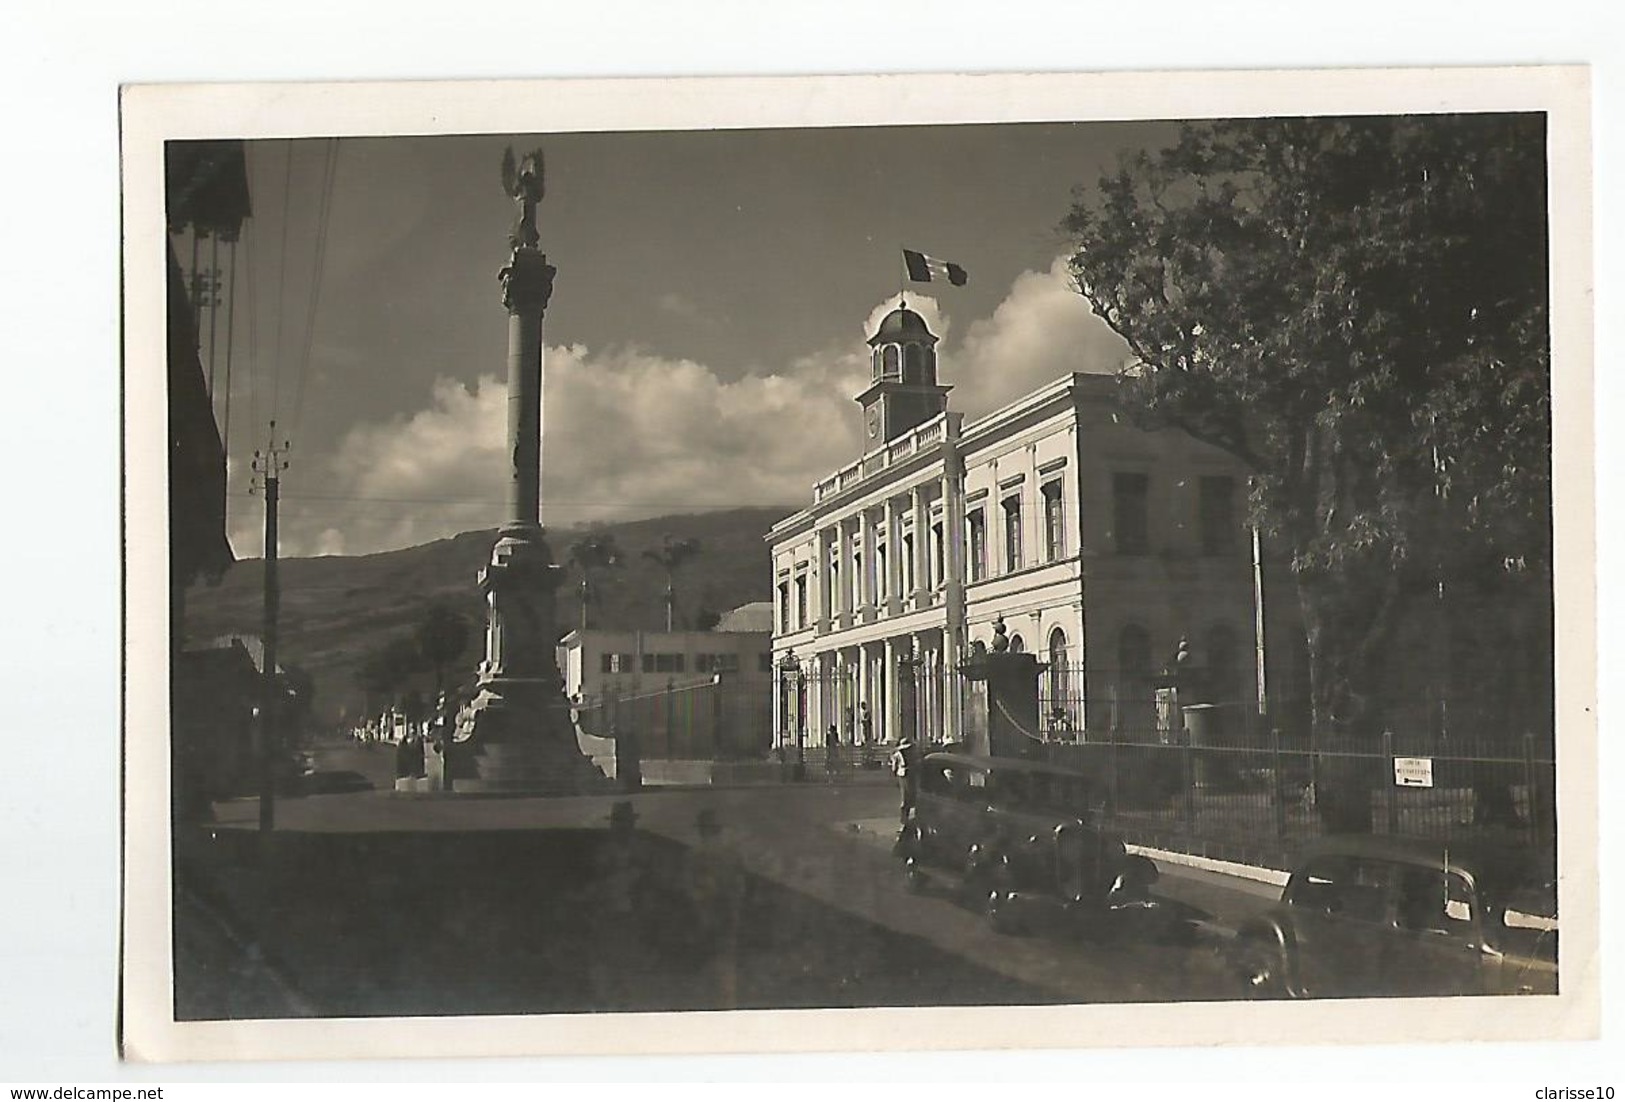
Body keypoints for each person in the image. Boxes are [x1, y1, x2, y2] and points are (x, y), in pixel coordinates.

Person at [683, 808, 746, 1007]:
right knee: (722, 966)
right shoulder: (728, 854)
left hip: (710, 915)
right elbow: (739, 887)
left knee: (712, 966)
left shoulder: (695, 854)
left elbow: (689, 888)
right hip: (717, 914)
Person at [891, 734, 921, 826]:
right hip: (905, 775)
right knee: (907, 797)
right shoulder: (900, 754)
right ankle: (905, 819)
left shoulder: (910, 753)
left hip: (907, 774)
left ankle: (908, 818)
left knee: (910, 796)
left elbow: (894, 768)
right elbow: (894, 767)